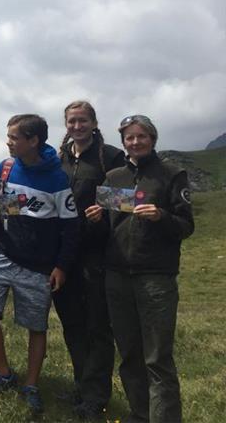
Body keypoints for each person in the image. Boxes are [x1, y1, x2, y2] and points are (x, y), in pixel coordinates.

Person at [86, 115, 193, 423]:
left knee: (157, 358)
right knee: (130, 354)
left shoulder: (172, 174)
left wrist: (161, 216)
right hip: (117, 275)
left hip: (155, 276)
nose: (135, 142)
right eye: (129, 138)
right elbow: (106, 231)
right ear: (123, 142)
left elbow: (186, 226)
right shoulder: (113, 177)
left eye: (141, 136)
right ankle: (139, 415)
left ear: (152, 139)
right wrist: (95, 220)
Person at [0, 114, 79, 415]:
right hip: (1, 252)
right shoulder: (5, 167)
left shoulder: (57, 179)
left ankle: (31, 385)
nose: (8, 142)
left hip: (38, 264)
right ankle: (3, 372)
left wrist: (61, 266)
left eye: (14, 137)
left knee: (36, 326)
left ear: (33, 141)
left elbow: (71, 226)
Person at [55, 101, 125, 418]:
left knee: (97, 324)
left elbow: (124, 200)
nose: (77, 126)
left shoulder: (110, 157)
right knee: (72, 322)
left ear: (94, 123)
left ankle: (96, 396)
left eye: (83, 120)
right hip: (63, 252)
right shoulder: (58, 159)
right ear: (66, 124)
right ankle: (82, 385)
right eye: (72, 121)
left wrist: (104, 213)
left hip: (97, 251)